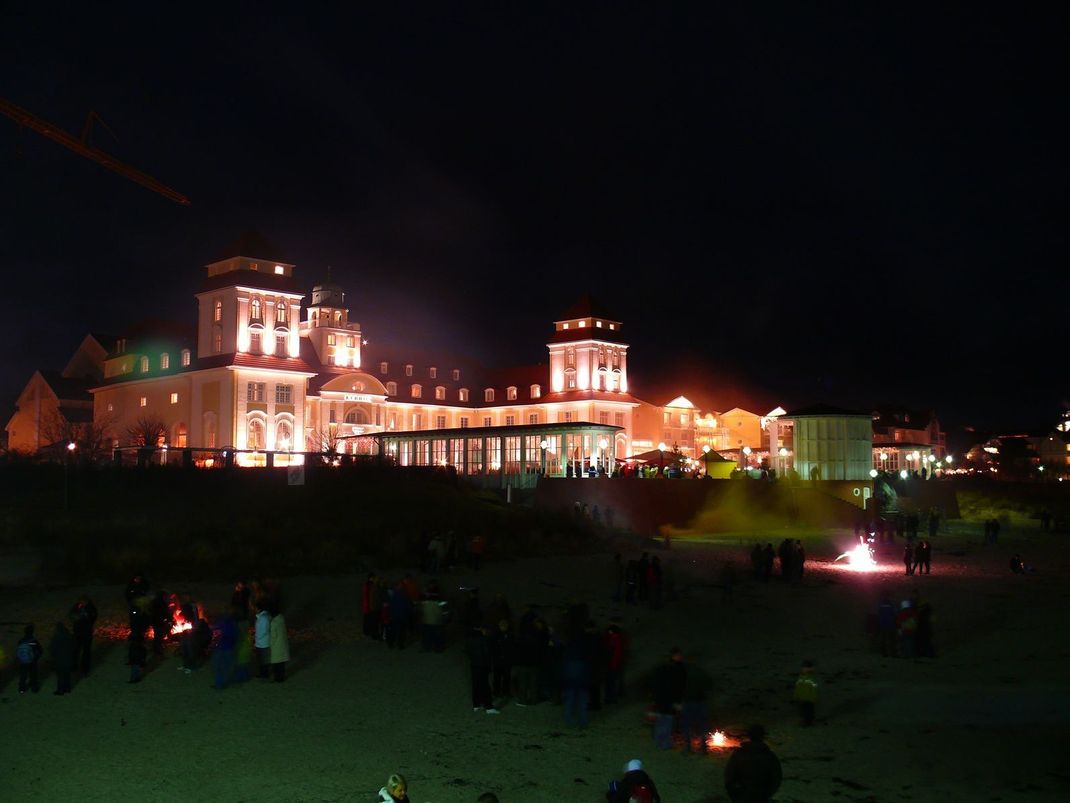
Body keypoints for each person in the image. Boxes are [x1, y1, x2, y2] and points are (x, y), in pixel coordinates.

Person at [724, 724, 782, 803]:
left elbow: (729, 775)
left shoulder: (739, 754)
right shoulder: (769, 756)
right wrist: (766, 794)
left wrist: (734, 793)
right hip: (760, 797)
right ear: (762, 737)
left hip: (742, 796)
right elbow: (776, 778)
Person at [652, 647, 686, 749]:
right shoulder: (676, 669)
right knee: (667, 722)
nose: (680, 657)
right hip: (668, 700)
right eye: (678, 655)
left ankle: (659, 741)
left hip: (661, 699)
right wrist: (677, 701)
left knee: (662, 720)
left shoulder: (662, 668)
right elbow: (677, 687)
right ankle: (664, 744)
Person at [466, 625, 496, 713]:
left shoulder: (470, 640)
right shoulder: (484, 640)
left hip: (474, 665)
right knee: (485, 686)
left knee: (476, 685)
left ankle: (476, 704)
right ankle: (489, 707)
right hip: (482, 666)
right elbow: (487, 654)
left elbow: (467, 652)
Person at [68, 595, 97, 675]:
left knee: (86, 651)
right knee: (76, 649)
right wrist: (74, 616)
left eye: (82, 602)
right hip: (77, 631)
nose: (80, 603)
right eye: (80, 602)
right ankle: (74, 665)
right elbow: (71, 613)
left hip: (86, 632)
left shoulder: (91, 608)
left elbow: (92, 618)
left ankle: (85, 668)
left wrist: (82, 617)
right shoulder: (77, 606)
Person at [16, 624, 43, 693]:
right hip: (32, 661)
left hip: (23, 661)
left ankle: (22, 689)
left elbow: (18, 651)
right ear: (32, 632)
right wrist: (36, 658)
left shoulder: (21, 640)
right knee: (33, 675)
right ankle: (34, 689)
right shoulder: (33, 641)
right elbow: (40, 650)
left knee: (23, 675)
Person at [50, 622, 75, 695]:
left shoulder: (56, 637)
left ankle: (60, 690)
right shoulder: (70, 636)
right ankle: (67, 688)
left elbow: (53, 649)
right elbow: (74, 647)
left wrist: (54, 657)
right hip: (69, 659)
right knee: (67, 675)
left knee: (60, 676)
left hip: (60, 660)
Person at [793, 660, 818, 725]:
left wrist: (814, 697)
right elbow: (797, 687)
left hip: (809, 699)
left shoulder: (811, 678)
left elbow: (814, 688)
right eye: (803, 667)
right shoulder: (800, 677)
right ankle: (804, 722)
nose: (804, 669)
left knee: (809, 711)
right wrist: (796, 696)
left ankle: (808, 723)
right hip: (801, 698)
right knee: (802, 711)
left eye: (806, 667)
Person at [269, 610, 290, 682]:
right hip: (283, 644)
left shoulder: (273, 623)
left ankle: (277, 678)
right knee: (281, 664)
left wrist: (270, 644)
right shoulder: (281, 620)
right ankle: (282, 677)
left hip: (276, 646)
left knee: (277, 663)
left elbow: (273, 636)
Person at [876, 591, 897, 657]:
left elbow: (879, 614)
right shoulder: (891, 604)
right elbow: (894, 613)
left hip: (884, 624)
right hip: (890, 624)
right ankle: (892, 653)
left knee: (884, 639)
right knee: (891, 639)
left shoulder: (881, 604)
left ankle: (884, 653)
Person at [255, 602, 272, 678]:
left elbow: (262, 631)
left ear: (259, 608)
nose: (254, 609)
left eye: (255, 608)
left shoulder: (263, 618)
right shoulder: (265, 616)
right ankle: (264, 673)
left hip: (262, 643)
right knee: (263, 660)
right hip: (263, 642)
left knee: (263, 660)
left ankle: (264, 674)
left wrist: (257, 637)